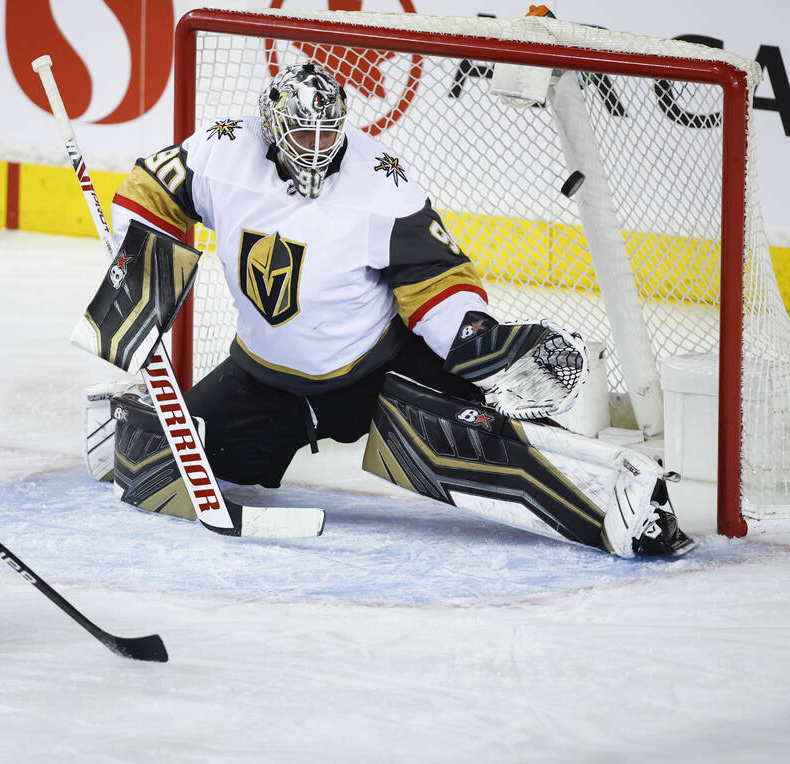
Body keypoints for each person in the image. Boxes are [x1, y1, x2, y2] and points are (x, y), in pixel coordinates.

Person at [93, 62, 693, 558]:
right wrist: (136, 265)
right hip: (263, 381)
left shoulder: (380, 183)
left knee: (483, 445)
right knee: (152, 464)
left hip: (378, 375)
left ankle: (627, 507)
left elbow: (433, 277)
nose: (319, 149)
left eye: (331, 134)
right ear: (273, 128)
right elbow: (151, 190)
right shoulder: (224, 151)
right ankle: (126, 414)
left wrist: (474, 341)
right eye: (304, 136)